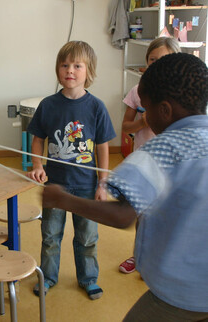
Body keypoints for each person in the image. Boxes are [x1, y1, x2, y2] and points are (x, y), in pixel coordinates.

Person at [42, 53, 208, 321]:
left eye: (145, 108)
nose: (143, 114)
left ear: (164, 110)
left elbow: (122, 215)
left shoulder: (161, 149)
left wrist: (62, 199)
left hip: (181, 293)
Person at [26, 41, 116, 300]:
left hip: (86, 186)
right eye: (65, 65)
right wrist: (37, 165)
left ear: (89, 71)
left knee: (87, 238)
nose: (70, 70)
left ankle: (88, 279)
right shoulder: (48, 104)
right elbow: (37, 138)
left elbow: (102, 146)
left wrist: (103, 183)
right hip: (55, 185)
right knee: (50, 236)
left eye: (77, 65)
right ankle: (48, 277)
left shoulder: (96, 107)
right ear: (58, 69)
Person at [119, 36, 181, 274]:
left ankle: (163, 261)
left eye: (163, 60)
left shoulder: (181, 94)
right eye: (152, 59)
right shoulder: (138, 91)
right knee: (143, 215)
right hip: (144, 164)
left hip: (172, 166)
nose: (156, 64)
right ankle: (139, 256)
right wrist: (143, 121)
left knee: (169, 215)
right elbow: (125, 127)